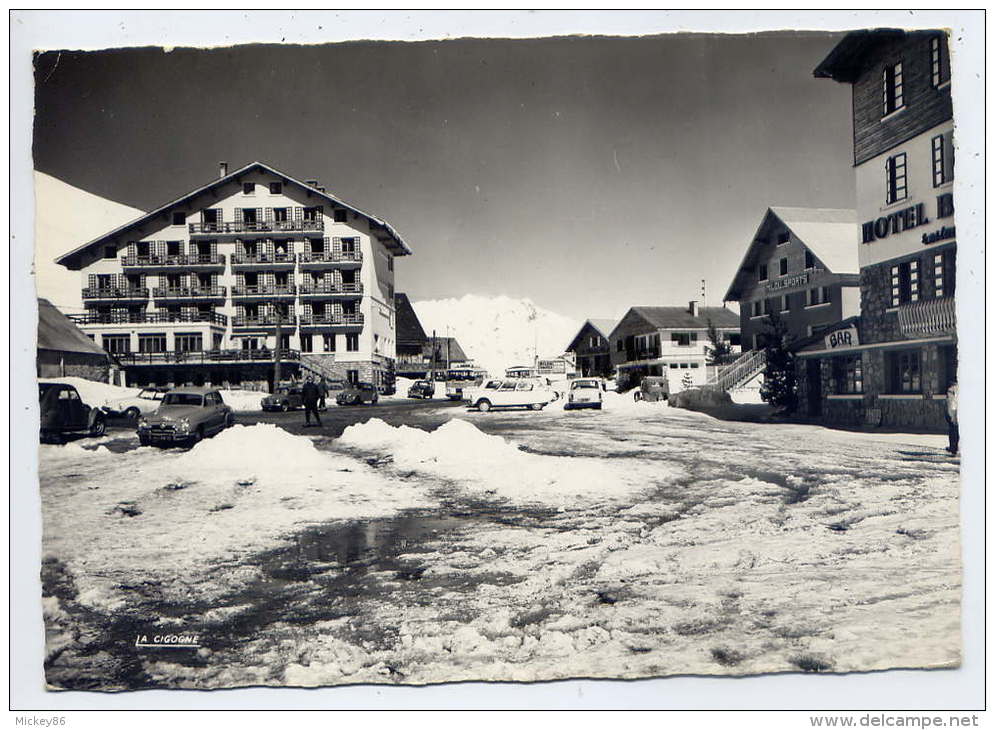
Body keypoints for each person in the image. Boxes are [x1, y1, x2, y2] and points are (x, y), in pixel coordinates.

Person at [945, 380, 959, 455]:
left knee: (953, 430)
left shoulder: (951, 390)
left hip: (954, 413)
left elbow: (951, 402)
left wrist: (952, 415)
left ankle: (953, 448)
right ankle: (955, 447)